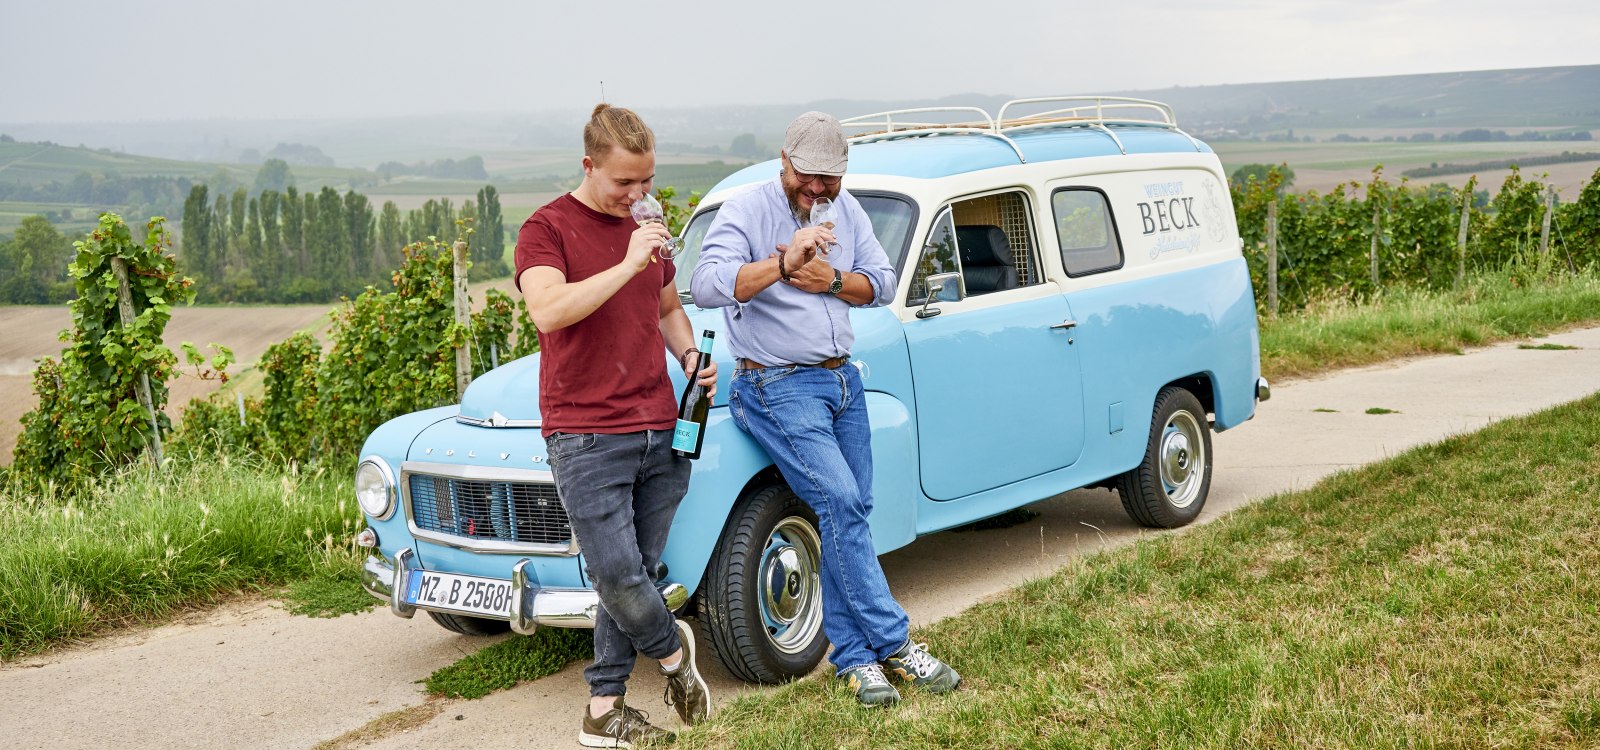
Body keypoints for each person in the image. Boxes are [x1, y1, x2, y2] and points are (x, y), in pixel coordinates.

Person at [690, 111, 960, 706]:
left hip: (843, 384)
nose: (817, 190)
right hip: (774, 385)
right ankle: (896, 643)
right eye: (807, 177)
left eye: (828, 180)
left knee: (851, 511)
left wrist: (832, 280)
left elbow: (883, 283)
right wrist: (784, 264)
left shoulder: (848, 209)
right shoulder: (745, 209)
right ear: (784, 160)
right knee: (839, 500)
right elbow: (709, 283)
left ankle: (856, 661)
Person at [516, 103, 715, 747]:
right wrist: (627, 261)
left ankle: (604, 712)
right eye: (624, 182)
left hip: (661, 422)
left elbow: (665, 304)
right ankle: (673, 656)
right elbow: (548, 311)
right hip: (586, 433)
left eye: (647, 181)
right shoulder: (546, 229)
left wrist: (687, 355)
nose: (639, 195)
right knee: (616, 576)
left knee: (641, 570)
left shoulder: (647, 229)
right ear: (588, 165)